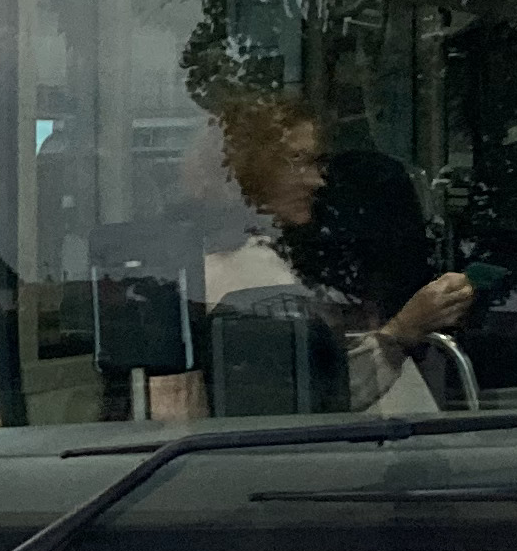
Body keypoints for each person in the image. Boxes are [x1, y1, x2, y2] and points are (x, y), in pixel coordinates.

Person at [205, 94, 478, 406]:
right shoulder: (233, 271)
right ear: (254, 168)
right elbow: (315, 398)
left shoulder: (295, 253)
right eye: (297, 161)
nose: (317, 181)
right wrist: (403, 330)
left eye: (318, 163)